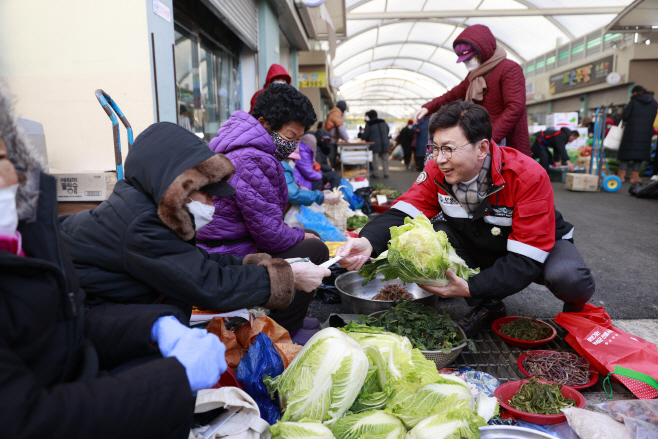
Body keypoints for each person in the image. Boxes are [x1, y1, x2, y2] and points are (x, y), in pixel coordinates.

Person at [0, 88, 226, 438]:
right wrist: (170, 380)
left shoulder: (26, 238)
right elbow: (25, 420)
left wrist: (153, 328)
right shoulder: (140, 222)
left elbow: (72, 323)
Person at [337, 101, 595, 336]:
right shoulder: (437, 170)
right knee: (438, 231)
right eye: (435, 148)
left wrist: (472, 287)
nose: (439, 159)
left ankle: (574, 309)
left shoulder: (527, 175)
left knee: (568, 276)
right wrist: (368, 241)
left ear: (482, 148)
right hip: (482, 240)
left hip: (537, 247)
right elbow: (405, 211)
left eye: (448, 149)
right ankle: (489, 307)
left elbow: (527, 257)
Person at [59, 122, 327, 317]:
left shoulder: (154, 210)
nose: (213, 204)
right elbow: (208, 285)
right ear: (179, 187)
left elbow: (197, 262)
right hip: (93, 320)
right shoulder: (142, 225)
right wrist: (284, 277)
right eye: (208, 194)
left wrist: (266, 265)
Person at [199, 83, 330, 334]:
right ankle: (285, 330)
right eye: (290, 137)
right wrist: (302, 235)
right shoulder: (250, 158)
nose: (292, 145)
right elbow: (270, 235)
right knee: (314, 247)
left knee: (308, 236)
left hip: (225, 242)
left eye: (299, 140)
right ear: (264, 122)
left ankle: (287, 321)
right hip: (228, 252)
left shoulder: (236, 145)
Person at [414, 24, 530, 157]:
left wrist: (491, 138)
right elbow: (452, 95)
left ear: (483, 50)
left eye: (469, 58)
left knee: (501, 175)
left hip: (503, 141)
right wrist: (428, 108)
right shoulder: (473, 76)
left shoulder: (509, 68)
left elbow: (515, 107)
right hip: (480, 139)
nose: (467, 63)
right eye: (464, 60)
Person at [617, 85, 658, 184]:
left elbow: (625, 116)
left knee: (625, 155)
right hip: (646, 132)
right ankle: (634, 178)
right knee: (639, 156)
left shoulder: (634, 101)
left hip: (632, 131)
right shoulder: (654, 103)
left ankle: (621, 177)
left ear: (635, 93)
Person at [362, 109, 390, 179]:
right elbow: (388, 130)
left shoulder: (369, 124)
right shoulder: (383, 122)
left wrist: (363, 138)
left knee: (375, 160)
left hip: (375, 144)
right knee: (385, 159)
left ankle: (376, 174)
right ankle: (386, 173)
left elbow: (365, 135)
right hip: (385, 143)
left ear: (370, 116)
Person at [324, 100, 349, 167]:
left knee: (331, 161)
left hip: (329, 141)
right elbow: (341, 129)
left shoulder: (333, 112)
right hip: (331, 142)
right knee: (331, 162)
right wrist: (347, 139)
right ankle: (330, 176)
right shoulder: (336, 114)